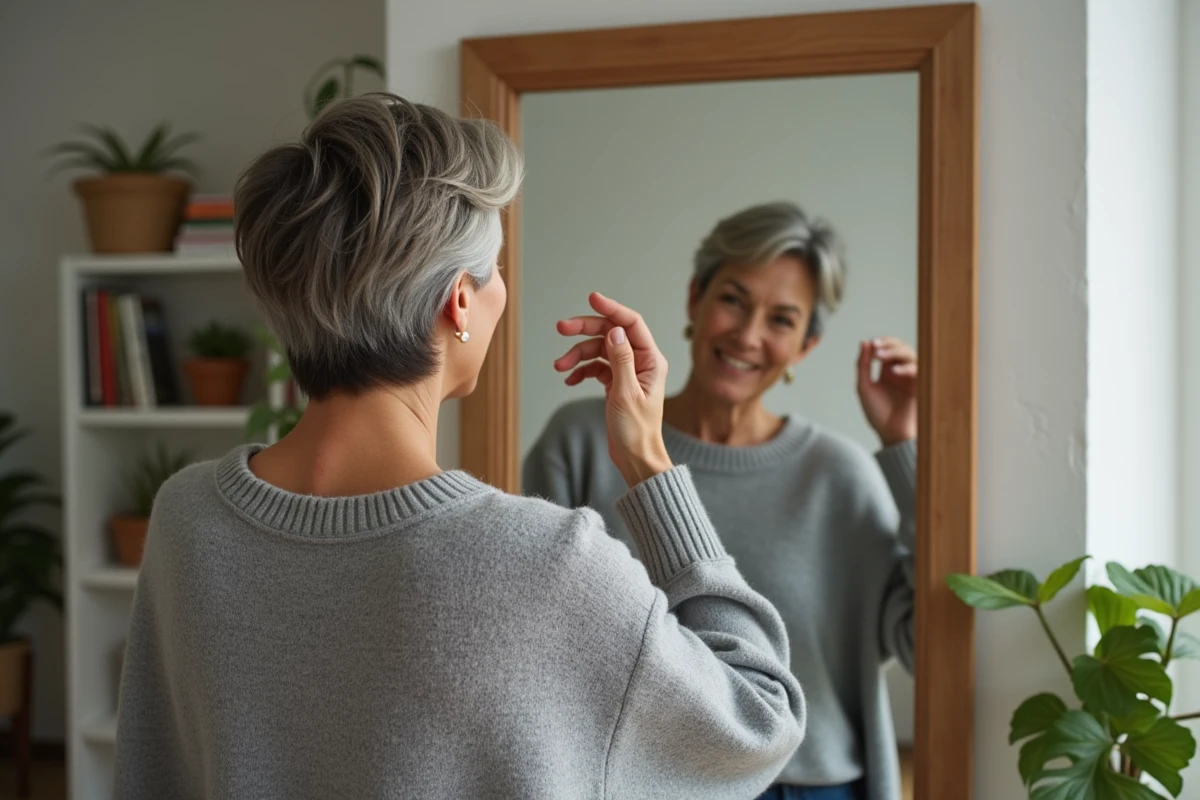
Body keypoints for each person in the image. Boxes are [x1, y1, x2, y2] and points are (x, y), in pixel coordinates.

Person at [112, 96, 805, 799]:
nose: (501, 289)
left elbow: (148, 775)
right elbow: (758, 723)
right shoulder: (544, 564)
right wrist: (649, 464)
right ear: (459, 302)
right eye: (495, 270)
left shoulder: (187, 519)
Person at [524, 202, 917, 800]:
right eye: (733, 299)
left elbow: (927, 649)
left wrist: (903, 447)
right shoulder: (583, 440)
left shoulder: (839, 477)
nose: (748, 334)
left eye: (782, 320)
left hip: (813, 787)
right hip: (641, 782)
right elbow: (542, 642)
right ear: (694, 299)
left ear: (806, 346)